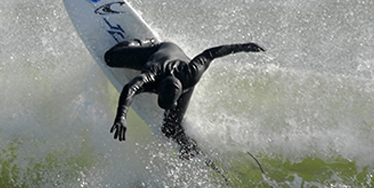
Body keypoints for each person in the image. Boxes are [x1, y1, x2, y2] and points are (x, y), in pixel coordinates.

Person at [104, 38, 265, 159]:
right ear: (157, 90)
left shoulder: (192, 72)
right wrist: (121, 116)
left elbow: (211, 53)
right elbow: (129, 88)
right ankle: (145, 42)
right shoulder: (152, 75)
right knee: (110, 58)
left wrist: (243, 47)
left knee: (170, 129)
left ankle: (192, 151)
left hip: (182, 80)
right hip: (159, 51)